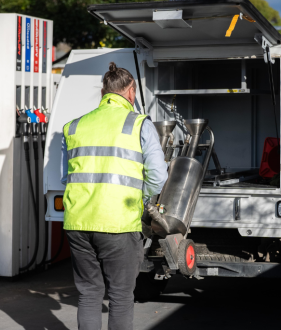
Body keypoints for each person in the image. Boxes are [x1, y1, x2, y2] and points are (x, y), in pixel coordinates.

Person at [61, 62, 168, 330]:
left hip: (77, 223)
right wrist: (141, 197)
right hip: (118, 223)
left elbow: (68, 176)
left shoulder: (74, 126)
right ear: (131, 91)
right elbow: (158, 175)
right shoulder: (139, 124)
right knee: (120, 296)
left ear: (103, 92)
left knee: (88, 294)